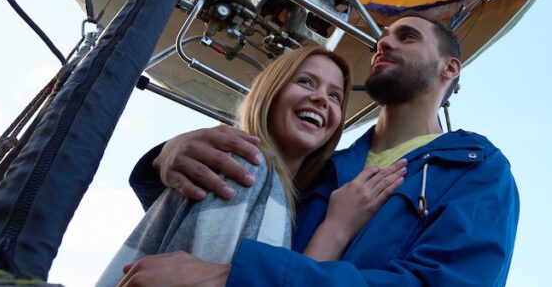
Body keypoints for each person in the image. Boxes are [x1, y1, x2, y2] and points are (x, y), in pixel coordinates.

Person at [121, 14, 520, 286]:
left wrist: (233, 277)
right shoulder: (320, 168)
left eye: (408, 37)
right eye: (383, 37)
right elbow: (206, 226)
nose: (383, 42)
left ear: (450, 69)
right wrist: (163, 159)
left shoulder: (475, 171)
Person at [97, 46, 406, 286]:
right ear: (270, 92)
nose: (322, 99)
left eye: (335, 96)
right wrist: (336, 230)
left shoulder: (290, 192)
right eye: (305, 81)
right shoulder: (247, 168)